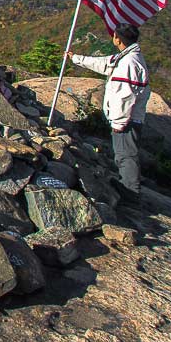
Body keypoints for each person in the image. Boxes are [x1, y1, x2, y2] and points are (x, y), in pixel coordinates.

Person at [65, 23, 149, 208]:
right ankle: (128, 187)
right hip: (128, 118)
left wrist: (118, 122)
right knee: (124, 154)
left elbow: (124, 95)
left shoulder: (129, 63)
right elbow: (104, 63)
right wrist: (76, 58)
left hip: (127, 120)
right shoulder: (127, 57)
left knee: (126, 155)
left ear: (118, 39)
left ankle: (131, 195)